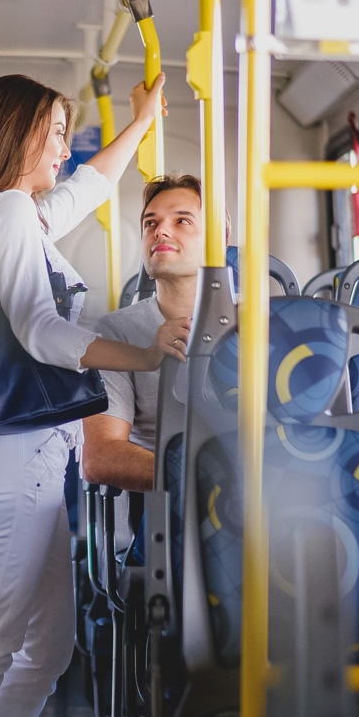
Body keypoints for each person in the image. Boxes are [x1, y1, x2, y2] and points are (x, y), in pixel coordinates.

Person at [0, 72, 189, 717]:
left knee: (49, 644)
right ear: (21, 133)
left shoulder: (3, 214)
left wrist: (142, 122)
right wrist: (142, 354)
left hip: (19, 452)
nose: (67, 147)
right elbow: (40, 332)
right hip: (11, 453)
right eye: (58, 132)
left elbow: (88, 188)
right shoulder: (6, 211)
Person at [82, 174, 213, 494]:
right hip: (161, 510)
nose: (161, 231)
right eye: (150, 223)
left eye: (182, 220)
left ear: (218, 238)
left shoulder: (258, 323)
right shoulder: (116, 332)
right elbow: (99, 456)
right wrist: (206, 482)